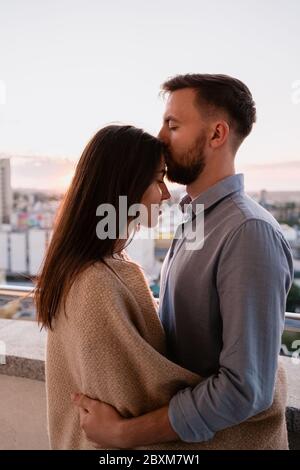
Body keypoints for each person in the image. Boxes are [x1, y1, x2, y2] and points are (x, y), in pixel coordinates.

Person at [72, 74, 294, 449]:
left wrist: (124, 433)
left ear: (217, 134)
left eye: (173, 125)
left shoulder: (247, 232)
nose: (159, 137)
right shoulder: (195, 219)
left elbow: (244, 389)